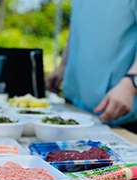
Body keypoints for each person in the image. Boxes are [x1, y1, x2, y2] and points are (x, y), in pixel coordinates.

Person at [47, 0, 137, 132]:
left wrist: (131, 83)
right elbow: (76, 23)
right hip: (75, 105)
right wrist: (64, 65)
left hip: (120, 115)